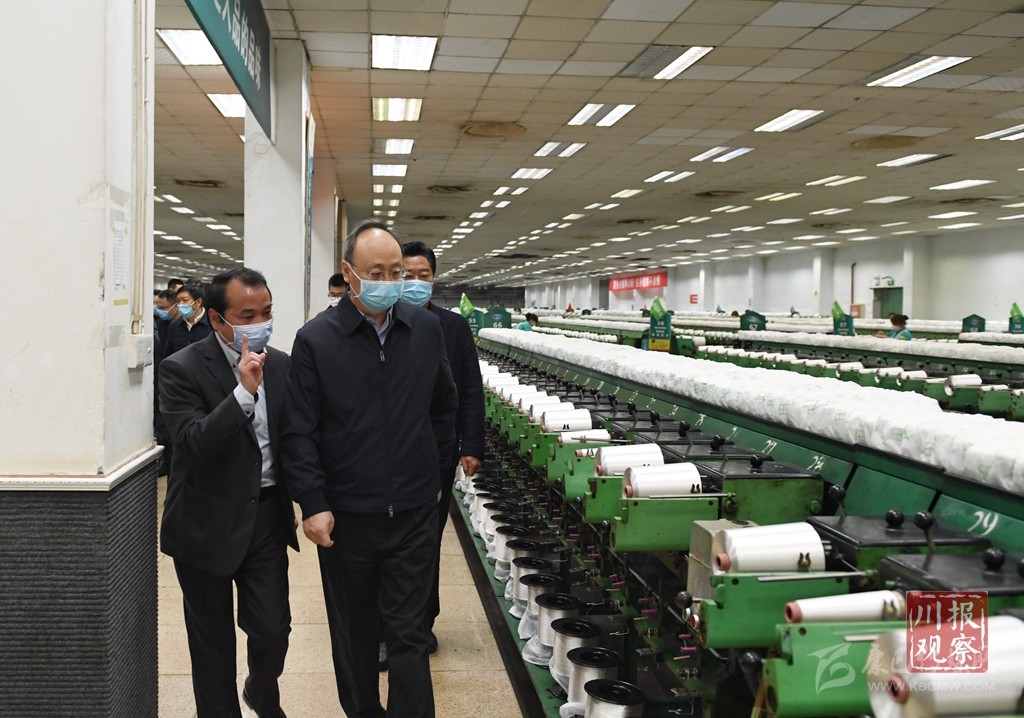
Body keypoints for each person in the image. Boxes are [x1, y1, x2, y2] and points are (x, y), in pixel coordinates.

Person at [281, 219, 457, 718]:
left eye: (395, 272)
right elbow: (300, 430)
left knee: (409, 633)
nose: (388, 282)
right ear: (348, 272)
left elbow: (444, 407)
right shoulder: (316, 340)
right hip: (347, 518)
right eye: (375, 273)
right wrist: (313, 502)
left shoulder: (424, 330)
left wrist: (435, 476)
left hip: (414, 514)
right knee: (355, 634)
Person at [159, 267, 299, 718]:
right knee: (212, 646)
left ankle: (261, 689)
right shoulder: (180, 368)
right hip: (204, 524)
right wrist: (242, 393)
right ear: (217, 319)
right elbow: (191, 444)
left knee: (273, 630)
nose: (261, 323)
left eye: (267, 312)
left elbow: (295, 439)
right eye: (248, 315)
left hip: (265, 517)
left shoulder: (282, 364)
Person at [400, 240, 485, 657]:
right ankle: (388, 624)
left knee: (427, 539)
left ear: (434, 279)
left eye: (424, 275)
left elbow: (470, 389)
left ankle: (421, 621)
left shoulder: (452, 327)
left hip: (436, 451)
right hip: (391, 451)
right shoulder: (384, 322)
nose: (416, 282)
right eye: (408, 275)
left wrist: (471, 445)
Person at [166, 283, 213, 356]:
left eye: (185, 300)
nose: (180, 304)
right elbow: (168, 353)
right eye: (178, 301)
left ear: (198, 302)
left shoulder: (212, 323)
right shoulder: (175, 325)